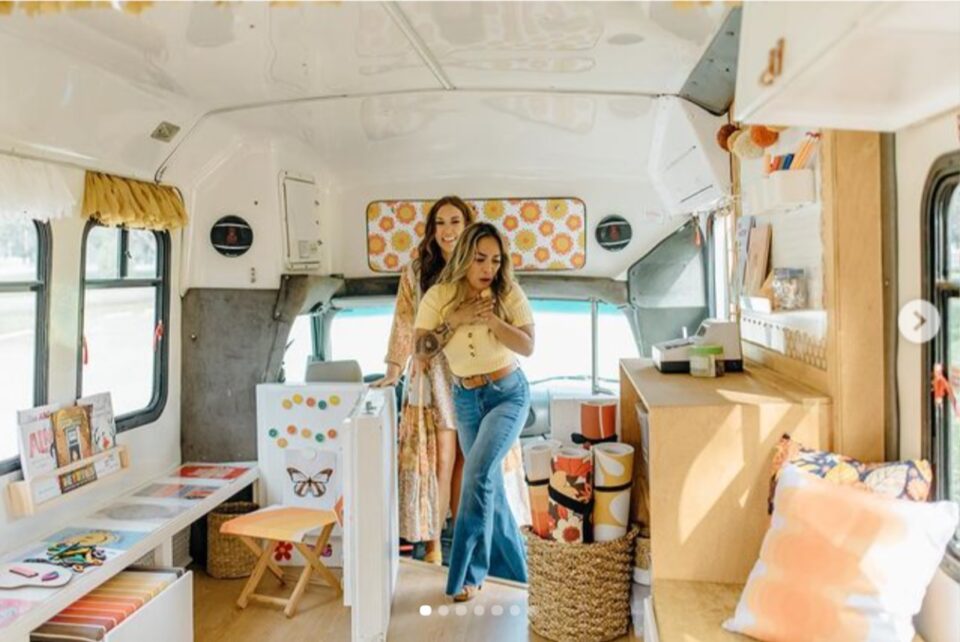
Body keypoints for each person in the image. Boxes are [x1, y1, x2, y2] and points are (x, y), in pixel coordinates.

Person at [414, 222, 535, 602]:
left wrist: (492, 321)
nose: (488, 268)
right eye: (481, 259)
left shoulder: (507, 292)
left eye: (496, 260)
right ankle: (518, 575)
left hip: (508, 394)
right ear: (465, 257)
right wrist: (457, 319)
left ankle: (466, 573)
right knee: (490, 487)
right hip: (466, 399)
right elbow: (421, 350)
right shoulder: (438, 296)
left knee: (477, 474)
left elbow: (528, 346)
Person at [373, 196, 474, 564]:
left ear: (467, 225)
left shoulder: (477, 265)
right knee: (440, 460)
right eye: (440, 223)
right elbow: (403, 319)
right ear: (432, 230)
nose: (448, 230)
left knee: (467, 460)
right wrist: (393, 368)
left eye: (455, 221)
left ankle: (462, 541)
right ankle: (433, 544)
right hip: (431, 373)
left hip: (470, 367)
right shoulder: (416, 271)